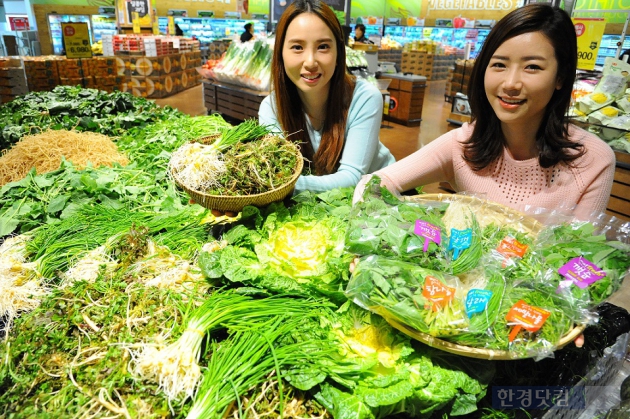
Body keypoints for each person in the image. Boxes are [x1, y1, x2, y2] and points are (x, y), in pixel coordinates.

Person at [353, 4, 615, 222]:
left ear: (560, 77)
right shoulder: (464, 144)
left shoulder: (592, 161)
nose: (510, 83)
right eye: (499, 64)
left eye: (532, 67)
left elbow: (577, 259)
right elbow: (376, 182)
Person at [258, 0, 395, 194]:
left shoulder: (364, 98)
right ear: (280, 53)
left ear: (339, 52)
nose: (311, 62)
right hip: (324, 205)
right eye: (297, 47)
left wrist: (277, 187)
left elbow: (352, 178)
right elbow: (278, 170)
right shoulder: (272, 108)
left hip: (379, 199)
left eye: (323, 47)